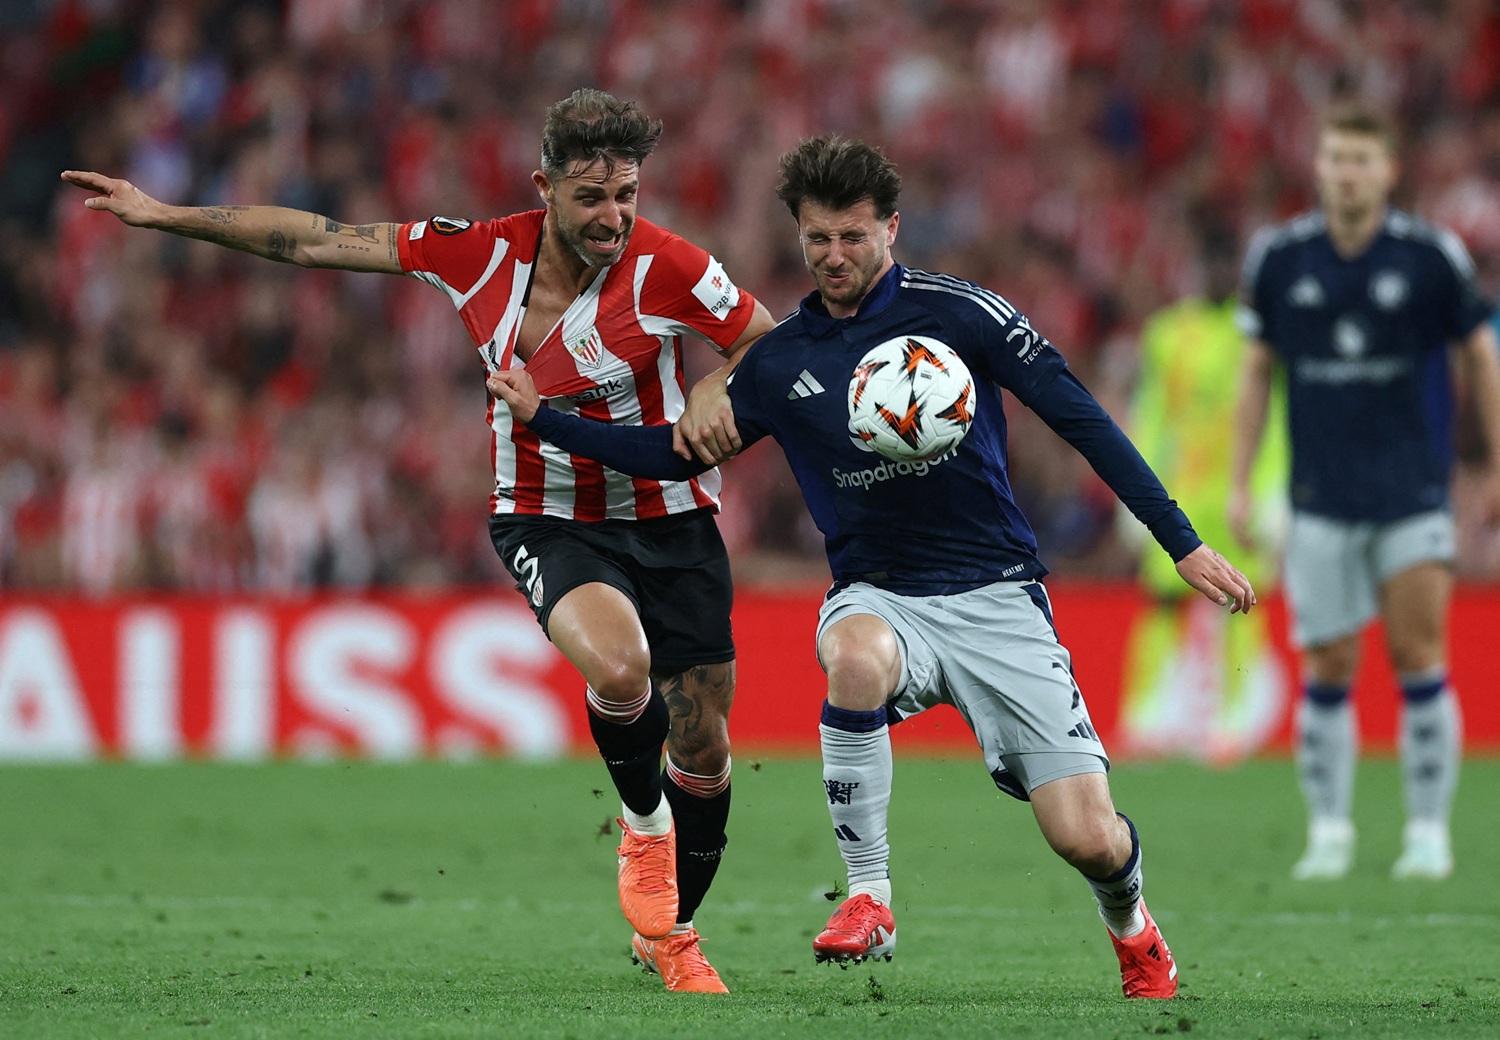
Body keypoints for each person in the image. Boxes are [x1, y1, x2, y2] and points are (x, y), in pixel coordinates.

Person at [489, 136, 1256, 999]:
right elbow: (673, 455)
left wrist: (1181, 542)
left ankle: (1134, 928)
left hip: (999, 598)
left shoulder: (962, 316)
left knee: (1088, 839)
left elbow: (1081, 419)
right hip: (880, 595)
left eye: (852, 236)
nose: (834, 256)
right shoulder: (782, 361)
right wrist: (545, 420)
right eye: (817, 238)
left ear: (891, 228)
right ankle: (869, 896)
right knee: (853, 655)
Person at [62, 88, 775, 993]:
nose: (614, 216)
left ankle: (671, 929)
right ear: (544, 188)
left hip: (673, 520)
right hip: (547, 515)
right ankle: (644, 833)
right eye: (592, 197)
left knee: (704, 748)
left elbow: (766, 345)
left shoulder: (673, 266)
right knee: (621, 667)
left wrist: (715, 387)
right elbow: (318, 239)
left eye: (627, 194)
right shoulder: (478, 253)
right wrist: (166, 213)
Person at [1231, 105, 1500, 881]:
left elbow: (1480, 353)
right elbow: (1257, 372)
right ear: (1318, 168)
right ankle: (1330, 832)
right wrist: (1241, 482)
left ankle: (1427, 833)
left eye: (1361, 160)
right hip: (1319, 495)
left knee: (1419, 654)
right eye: (1336, 158)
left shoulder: (1430, 257)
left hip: (1412, 492)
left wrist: (1492, 464)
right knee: (1328, 664)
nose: (1347, 173)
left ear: (1389, 172)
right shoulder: (1281, 259)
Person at [1120, 226, 1290, 762]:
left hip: (1238, 493)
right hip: (1181, 495)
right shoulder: (1168, 333)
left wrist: (1272, 490)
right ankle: (1145, 716)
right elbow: (1153, 415)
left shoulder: (1258, 335)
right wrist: (1134, 489)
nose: (1217, 275)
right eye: (1209, 265)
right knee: (1163, 600)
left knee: (1244, 599)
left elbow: (1274, 418)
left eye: (1225, 267)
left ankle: (1235, 718)